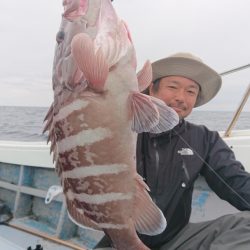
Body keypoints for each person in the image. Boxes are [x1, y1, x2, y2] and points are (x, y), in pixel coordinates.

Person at [95, 52, 250, 250]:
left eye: (191, 92)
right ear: (152, 89)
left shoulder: (205, 139)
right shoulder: (122, 127)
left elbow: (235, 182)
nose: (180, 98)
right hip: (118, 240)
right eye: (172, 87)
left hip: (178, 240)